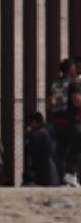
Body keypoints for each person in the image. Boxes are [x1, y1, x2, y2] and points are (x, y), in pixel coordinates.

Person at [47, 58, 81, 186]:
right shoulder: (73, 84)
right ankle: (70, 174)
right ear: (70, 68)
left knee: (61, 148)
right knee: (76, 146)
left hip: (58, 121)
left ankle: (60, 176)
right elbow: (76, 101)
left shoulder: (54, 84)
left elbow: (49, 104)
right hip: (71, 121)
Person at [23, 111, 60, 186]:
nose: (29, 125)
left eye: (30, 123)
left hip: (43, 172)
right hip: (50, 171)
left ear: (35, 122)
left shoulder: (38, 134)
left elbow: (31, 152)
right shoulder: (46, 131)